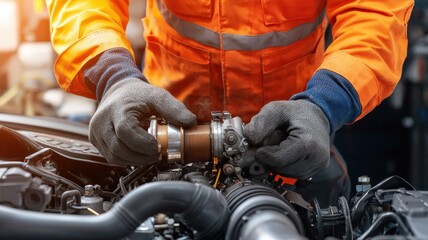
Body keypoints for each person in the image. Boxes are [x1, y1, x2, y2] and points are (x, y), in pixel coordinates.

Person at [46, 0, 414, 206]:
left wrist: (325, 103)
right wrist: (113, 77)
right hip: (160, 146)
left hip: (291, 143)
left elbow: (375, 14)